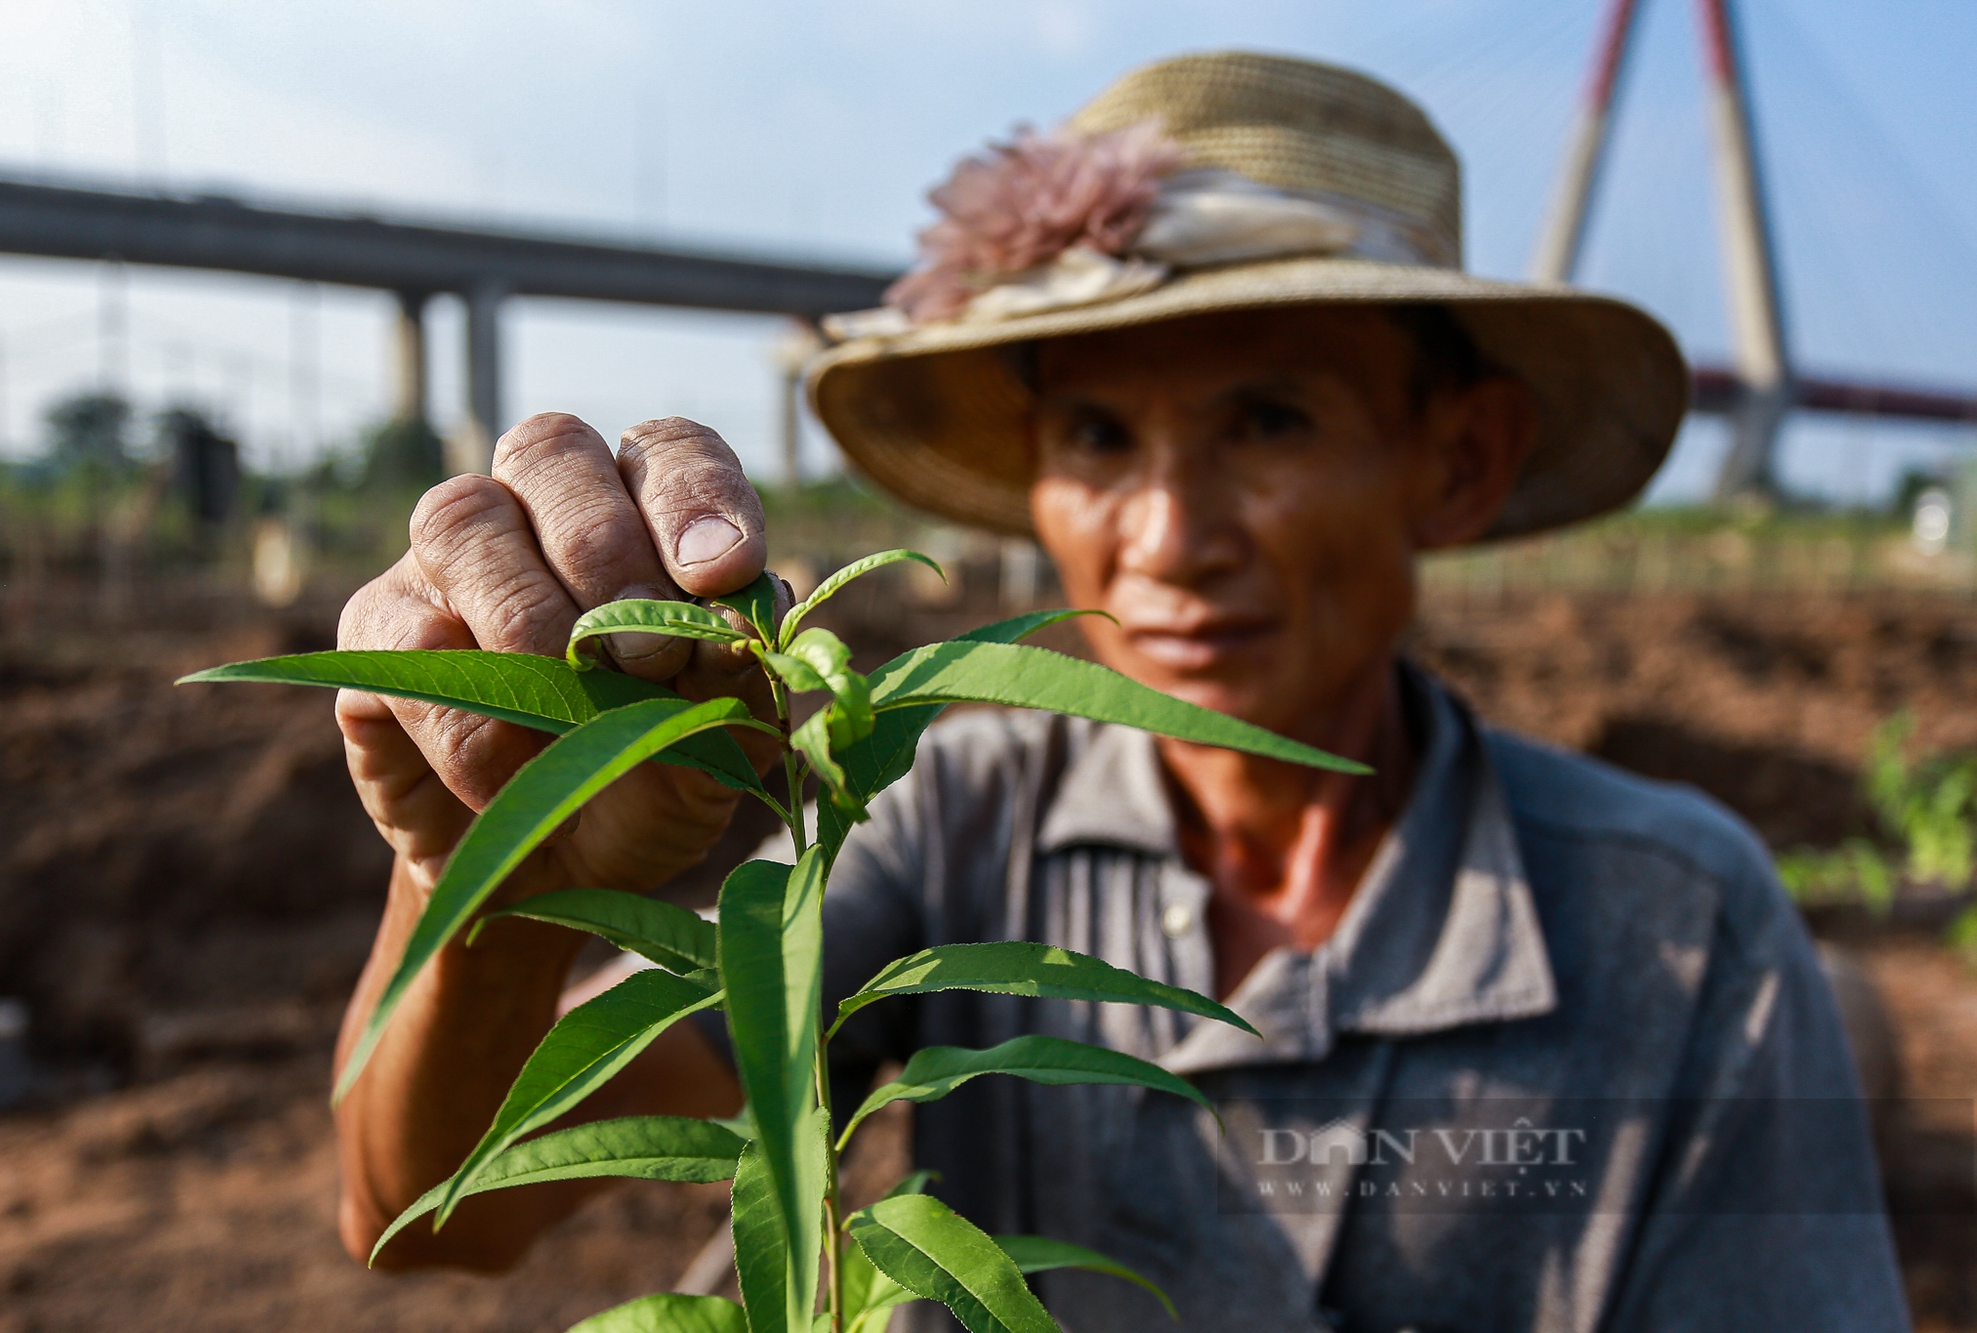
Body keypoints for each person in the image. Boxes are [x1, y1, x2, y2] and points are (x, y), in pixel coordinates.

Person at [331, 52, 1907, 1331]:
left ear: (1461, 457)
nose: (1164, 535)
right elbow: (430, 1212)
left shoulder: (1681, 930)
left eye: (1271, 417)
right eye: (1096, 436)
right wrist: (492, 870)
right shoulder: (941, 817)